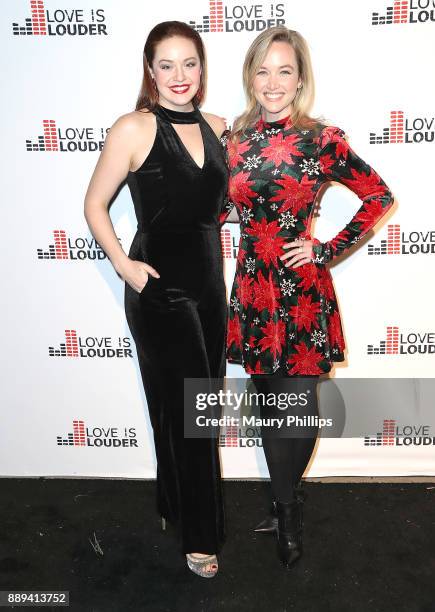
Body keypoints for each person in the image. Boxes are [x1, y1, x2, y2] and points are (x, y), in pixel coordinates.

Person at [219, 26, 395, 568]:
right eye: (263, 70)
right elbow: (220, 209)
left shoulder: (322, 139)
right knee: (270, 403)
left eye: (285, 71)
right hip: (252, 284)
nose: (273, 82)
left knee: (296, 407)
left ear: (299, 81)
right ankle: (285, 499)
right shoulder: (231, 142)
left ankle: (287, 509)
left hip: (300, 289)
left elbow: (378, 197)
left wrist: (325, 249)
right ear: (251, 76)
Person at [84, 21, 229, 578]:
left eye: (188, 63)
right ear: (150, 70)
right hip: (159, 288)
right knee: (193, 415)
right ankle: (201, 536)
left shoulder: (219, 127)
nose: (178, 76)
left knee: (191, 408)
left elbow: (217, 207)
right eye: (165, 65)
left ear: (201, 67)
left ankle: (174, 501)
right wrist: (124, 265)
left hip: (211, 288)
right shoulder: (134, 127)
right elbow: (95, 204)